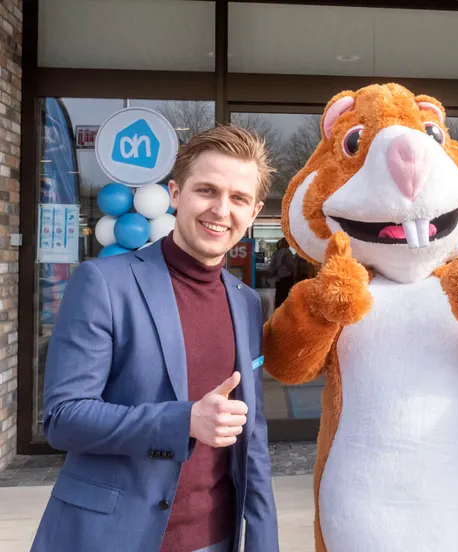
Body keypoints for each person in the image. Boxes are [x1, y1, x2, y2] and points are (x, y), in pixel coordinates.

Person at [31, 125, 280, 552]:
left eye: (238, 198)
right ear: (175, 194)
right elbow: (63, 417)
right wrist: (184, 421)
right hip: (112, 538)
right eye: (206, 190)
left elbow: (251, 433)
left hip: (215, 538)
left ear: (254, 211)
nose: (221, 210)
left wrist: (263, 540)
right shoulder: (103, 283)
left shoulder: (246, 302)